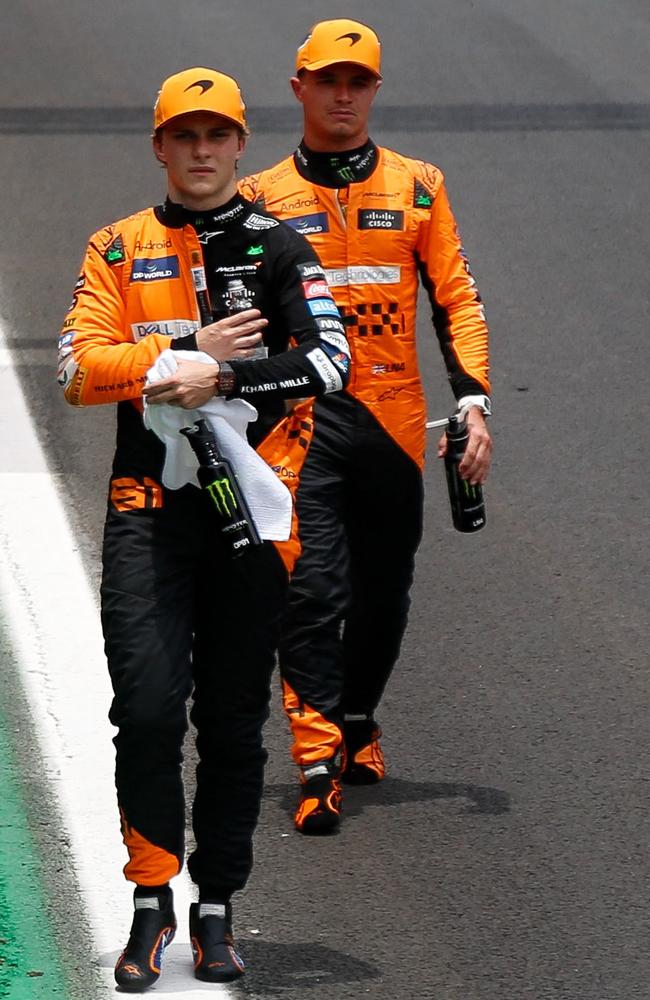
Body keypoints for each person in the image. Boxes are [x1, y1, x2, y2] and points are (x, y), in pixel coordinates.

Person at [58, 67, 349, 989]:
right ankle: (150, 903)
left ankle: (216, 906)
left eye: (216, 135)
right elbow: (76, 368)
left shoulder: (279, 248)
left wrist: (224, 381)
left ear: (238, 142)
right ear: (159, 146)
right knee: (145, 711)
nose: (200, 151)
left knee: (229, 722)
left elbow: (332, 360)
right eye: (183, 136)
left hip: (252, 521)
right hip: (149, 514)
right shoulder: (116, 247)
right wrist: (175, 358)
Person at [239, 19, 492, 835]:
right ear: (299, 89)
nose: (342, 96)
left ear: (375, 90)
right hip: (301, 422)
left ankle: (355, 720)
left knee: (384, 596)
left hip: (394, 420)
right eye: (327, 81)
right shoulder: (261, 197)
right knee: (311, 589)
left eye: (358, 82)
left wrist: (475, 403)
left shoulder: (420, 185)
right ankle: (317, 760)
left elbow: (456, 298)